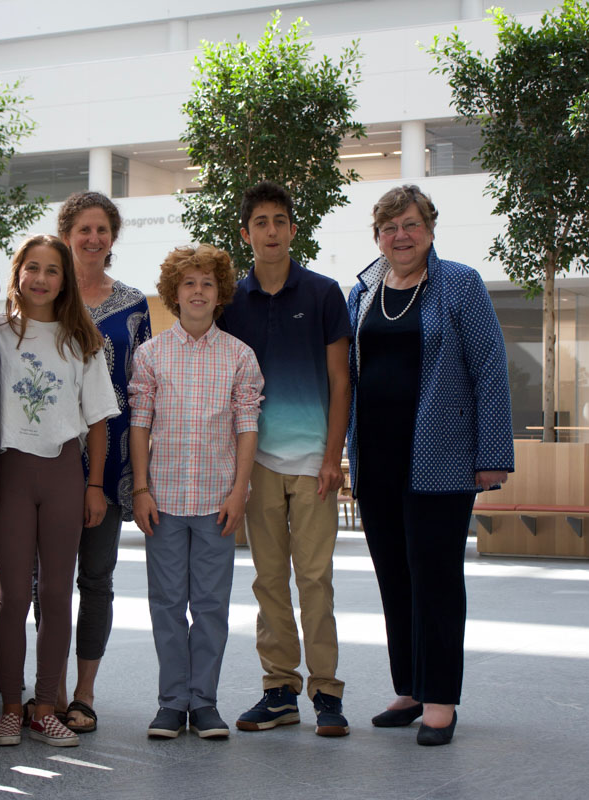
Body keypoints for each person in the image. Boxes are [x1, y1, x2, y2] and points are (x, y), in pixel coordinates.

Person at [346, 184, 514, 746]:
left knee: (437, 578)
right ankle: (410, 688)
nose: (400, 236)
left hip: (439, 458)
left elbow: (490, 370)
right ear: (378, 235)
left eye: (411, 224)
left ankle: (441, 697)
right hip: (377, 455)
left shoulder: (459, 284)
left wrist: (492, 456)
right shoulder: (365, 289)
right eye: (390, 227)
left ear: (430, 229)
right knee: (394, 576)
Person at [217, 181, 353, 738]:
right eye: (260, 222)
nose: (270, 231)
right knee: (268, 580)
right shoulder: (231, 304)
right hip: (259, 465)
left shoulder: (323, 294)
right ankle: (279, 689)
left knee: (315, 578)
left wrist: (333, 456)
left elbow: (342, 382)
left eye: (280, 221)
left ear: (293, 230)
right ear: (245, 233)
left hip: (313, 463)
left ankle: (326, 692)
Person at [0, 234, 118, 748]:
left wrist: (94, 486)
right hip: (10, 475)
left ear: (65, 281)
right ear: (18, 271)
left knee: (59, 595)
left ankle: (46, 707)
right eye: (32, 268)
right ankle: (9, 707)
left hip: (65, 474)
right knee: (14, 596)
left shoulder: (80, 340)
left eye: (52, 271)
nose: (41, 279)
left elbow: (100, 422)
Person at [130, 244, 264, 740]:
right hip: (162, 502)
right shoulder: (150, 356)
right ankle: (171, 703)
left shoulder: (239, 357)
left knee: (211, 605)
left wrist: (239, 492)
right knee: (166, 603)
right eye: (189, 283)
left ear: (220, 293)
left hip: (216, 503)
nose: (198, 291)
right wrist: (141, 489)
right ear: (174, 292)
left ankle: (204, 703)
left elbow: (246, 427)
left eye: (208, 283)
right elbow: (139, 425)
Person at [52, 192, 152, 733]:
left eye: (102, 230)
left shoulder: (135, 304)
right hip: (48, 458)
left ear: (113, 238)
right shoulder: (44, 292)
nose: (93, 239)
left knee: (96, 577)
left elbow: (143, 390)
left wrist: (139, 474)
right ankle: (46, 689)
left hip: (108, 465)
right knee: (47, 581)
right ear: (67, 232)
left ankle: (83, 693)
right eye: (83, 229)